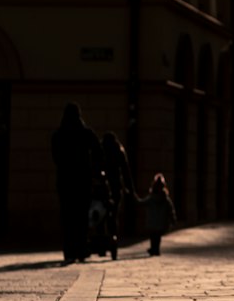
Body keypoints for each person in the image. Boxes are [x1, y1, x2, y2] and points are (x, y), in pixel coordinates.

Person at [50, 102, 102, 264]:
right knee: (81, 217)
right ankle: (81, 249)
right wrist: (94, 170)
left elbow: (56, 157)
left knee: (67, 217)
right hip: (82, 181)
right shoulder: (86, 133)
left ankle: (69, 251)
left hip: (65, 181)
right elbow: (98, 151)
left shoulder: (59, 134)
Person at [100, 131, 134, 260]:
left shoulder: (101, 149)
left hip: (102, 188)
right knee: (113, 216)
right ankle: (113, 239)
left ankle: (102, 243)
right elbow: (126, 172)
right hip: (115, 187)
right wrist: (130, 189)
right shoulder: (119, 150)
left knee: (101, 215)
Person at [138, 172, 176, 255]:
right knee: (157, 237)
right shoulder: (165, 198)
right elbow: (170, 209)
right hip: (160, 221)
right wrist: (172, 218)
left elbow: (142, 202)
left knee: (153, 236)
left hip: (152, 221)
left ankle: (154, 249)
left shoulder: (152, 197)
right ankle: (155, 249)